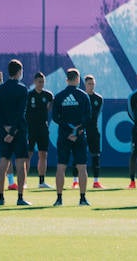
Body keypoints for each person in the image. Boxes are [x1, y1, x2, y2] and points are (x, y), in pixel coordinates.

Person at [0, 59, 32, 206]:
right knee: (20, 164)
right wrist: (14, 130)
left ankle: (1, 197)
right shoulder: (22, 89)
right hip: (19, 131)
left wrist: (5, 128)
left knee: (3, 161)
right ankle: (20, 197)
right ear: (19, 72)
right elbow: (21, 112)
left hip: (4, 132)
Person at [52, 68, 93, 206]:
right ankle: (82, 198)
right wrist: (77, 130)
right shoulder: (83, 96)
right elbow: (88, 117)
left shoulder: (59, 96)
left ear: (67, 79)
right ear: (77, 79)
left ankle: (59, 199)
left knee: (61, 166)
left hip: (64, 136)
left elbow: (55, 117)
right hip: (79, 136)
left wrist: (69, 130)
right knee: (82, 167)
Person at [26, 71, 55, 189]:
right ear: (34, 82)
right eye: (39, 81)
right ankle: (23, 181)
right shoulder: (29, 95)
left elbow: (49, 108)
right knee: (28, 154)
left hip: (43, 128)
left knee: (43, 154)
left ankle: (41, 181)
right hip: (31, 128)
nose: (41, 84)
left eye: (43, 82)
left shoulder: (48, 95)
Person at [83, 74, 105, 189]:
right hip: (81, 129)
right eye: (89, 84)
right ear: (85, 84)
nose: (91, 86)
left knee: (95, 155)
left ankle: (96, 181)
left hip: (93, 130)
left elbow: (94, 115)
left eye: (92, 84)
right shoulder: (81, 97)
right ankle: (75, 180)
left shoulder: (99, 99)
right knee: (80, 155)